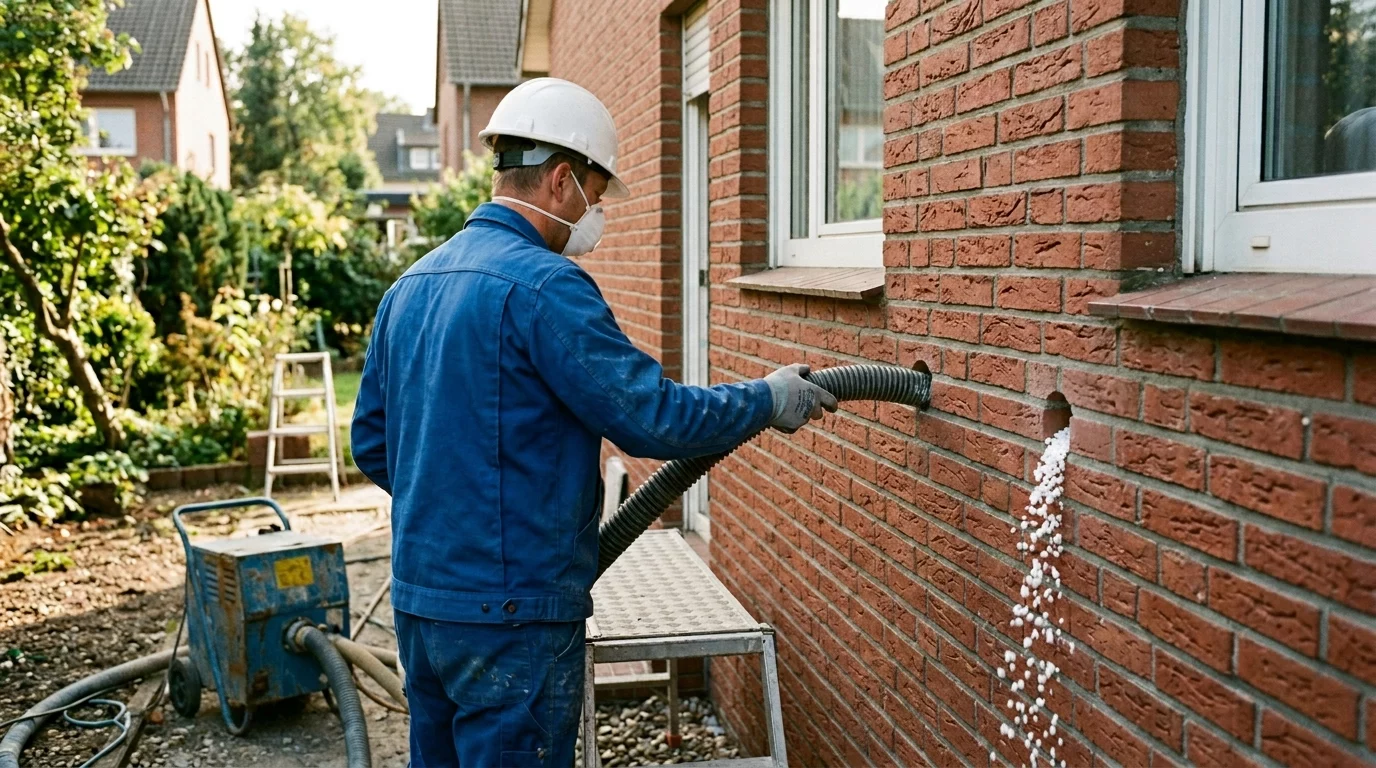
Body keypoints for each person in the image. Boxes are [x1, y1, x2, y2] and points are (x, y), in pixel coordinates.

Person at [351, 77, 836, 767]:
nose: (596, 215)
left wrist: (454, 508)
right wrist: (765, 399)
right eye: (596, 196)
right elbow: (652, 416)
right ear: (560, 180)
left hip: (425, 606)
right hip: (512, 618)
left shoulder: (411, 286)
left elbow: (372, 442)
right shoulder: (546, 287)